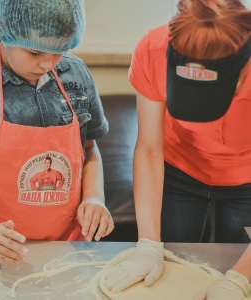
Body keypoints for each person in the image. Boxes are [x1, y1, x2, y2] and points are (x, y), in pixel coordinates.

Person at [103, 0, 251, 299]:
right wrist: (148, 244)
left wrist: (240, 278)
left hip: (247, 178)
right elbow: (149, 149)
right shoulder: (152, 49)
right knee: (171, 271)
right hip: (179, 167)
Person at [0, 0, 114, 265]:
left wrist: (95, 197)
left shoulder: (76, 76)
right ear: (2, 28)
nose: (47, 63)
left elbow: (90, 150)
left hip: (67, 249)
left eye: (59, 50)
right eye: (34, 52)